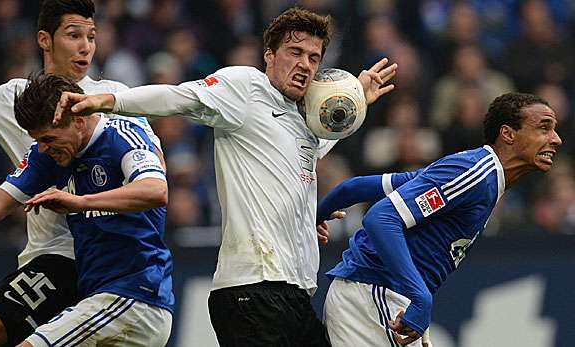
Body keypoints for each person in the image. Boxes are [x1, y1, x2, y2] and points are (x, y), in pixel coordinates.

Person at [52, 7, 397, 346]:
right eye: (295, 52)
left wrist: (357, 100)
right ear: (269, 56)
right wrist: (105, 101)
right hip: (253, 290)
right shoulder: (246, 89)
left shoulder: (300, 122)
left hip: (293, 295)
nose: (305, 64)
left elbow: (305, 155)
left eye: (313, 57)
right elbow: (178, 98)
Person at [0, 1, 162, 345]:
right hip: (39, 256)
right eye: (74, 35)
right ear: (44, 40)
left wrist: (81, 201)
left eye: (91, 36)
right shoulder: (13, 99)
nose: (85, 47)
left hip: (74, 260)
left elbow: (154, 176)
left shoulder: (113, 100)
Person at [315, 92, 562, 346]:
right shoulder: (475, 173)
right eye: (544, 128)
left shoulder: (475, 173)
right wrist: (421, 296)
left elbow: (354, 189)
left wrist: (316, 216)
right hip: (373, 294)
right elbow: (381, 218)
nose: (556, 139)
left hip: (384, 298)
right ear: (508, 134)